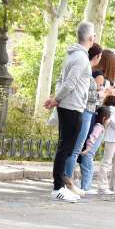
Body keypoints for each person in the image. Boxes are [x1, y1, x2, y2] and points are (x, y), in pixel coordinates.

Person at [43, 22, 96, 203]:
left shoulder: (71, 56)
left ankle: (61, 185)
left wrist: (56, 98)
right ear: (90, 38)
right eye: (94, 36)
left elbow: (61, 80)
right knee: (65, 148)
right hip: (72, 107)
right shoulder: (81, 58)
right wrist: (56, 99)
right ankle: (58, 187)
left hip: (69, 105)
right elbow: (70, 83)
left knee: (65, 148)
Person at [66, 47, 106, 194]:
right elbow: (88, 96)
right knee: (75, 150)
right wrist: (102, 94)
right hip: (85, 112)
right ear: (98, 56)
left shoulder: (84, 67)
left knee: (73, 149)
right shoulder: (88, 72)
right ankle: (67, 182)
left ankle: (67, 181)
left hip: (84, 111)